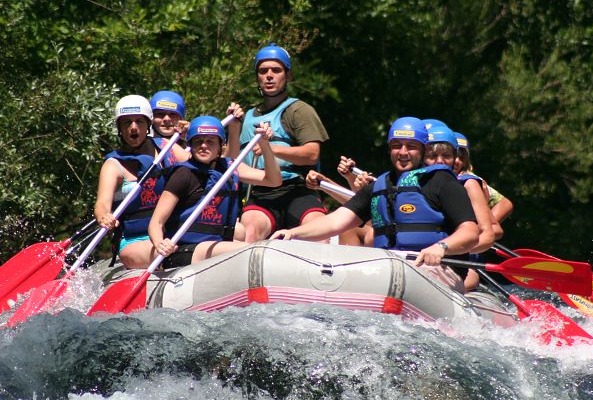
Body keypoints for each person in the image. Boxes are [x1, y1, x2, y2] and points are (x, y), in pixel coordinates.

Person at [271, 117, 479, 292]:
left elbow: (470, 232)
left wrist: (441, 248)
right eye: (397, 146)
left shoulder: (442, 182)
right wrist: (293, 233)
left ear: (423, 150)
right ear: (389, 149)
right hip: (389, 268)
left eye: (411, 146)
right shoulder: (379, 186)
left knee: (402, 281)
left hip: (437, 268)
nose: (403, 152)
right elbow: (336, 221)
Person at [148, 116, 282, 268]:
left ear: (220, 145)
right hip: (183, 249)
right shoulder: (183, 174)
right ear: (190, 144)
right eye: (198, 141)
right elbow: (156, 222)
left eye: (210, 141)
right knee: (249, 250)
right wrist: (160, 243)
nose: (203, 146)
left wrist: (264, 144)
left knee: (248, 242)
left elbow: (273, 180)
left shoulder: (229, 168)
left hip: (216, 244)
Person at [237, 43, 330, 242]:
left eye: (276, 70)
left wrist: (270, 148)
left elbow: (312, 154)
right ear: (257, 77)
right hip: (260, 192)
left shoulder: (299, 110)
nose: (269, 76)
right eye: (263, 71)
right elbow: (232, 158)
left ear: (288, 76)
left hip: (297, 189)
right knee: (249, 232)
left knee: (318, 229)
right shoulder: (246, 116)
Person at [94, 95, 190, 269]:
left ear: (148, 125)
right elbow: (102, 204)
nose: (133, 127)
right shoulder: (113, 165)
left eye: (139, 121)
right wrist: (104, 216)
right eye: (127, 122)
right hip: (135, 240)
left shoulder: (166, 147)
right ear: (119, 128)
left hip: (170, 231)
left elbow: (202, 167)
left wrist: (192, 137)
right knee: (171, 253)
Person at [424, 127, 498, 291]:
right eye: (433, 156)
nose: (440, 161)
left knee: (471, 278)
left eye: (447, 156)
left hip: (454, 261)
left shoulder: (468, 183)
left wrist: (452, 248)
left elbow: (491, 232)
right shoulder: (413, 182)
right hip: (418, 260)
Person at [454, 132, 514, 234]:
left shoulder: (468, 179)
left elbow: (505, 204)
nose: (457, 161)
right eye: (453, 155)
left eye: (461, 157)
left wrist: (483, 226)